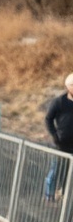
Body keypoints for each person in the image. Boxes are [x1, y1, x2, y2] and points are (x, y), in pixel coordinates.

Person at [44, 72, 73, 200]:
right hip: (61, 143)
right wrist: (55, 135)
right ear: (68, 86)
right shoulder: (59, 102)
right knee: (55, 170)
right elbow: (48, 119)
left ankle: (66, 196)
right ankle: (49, 195)